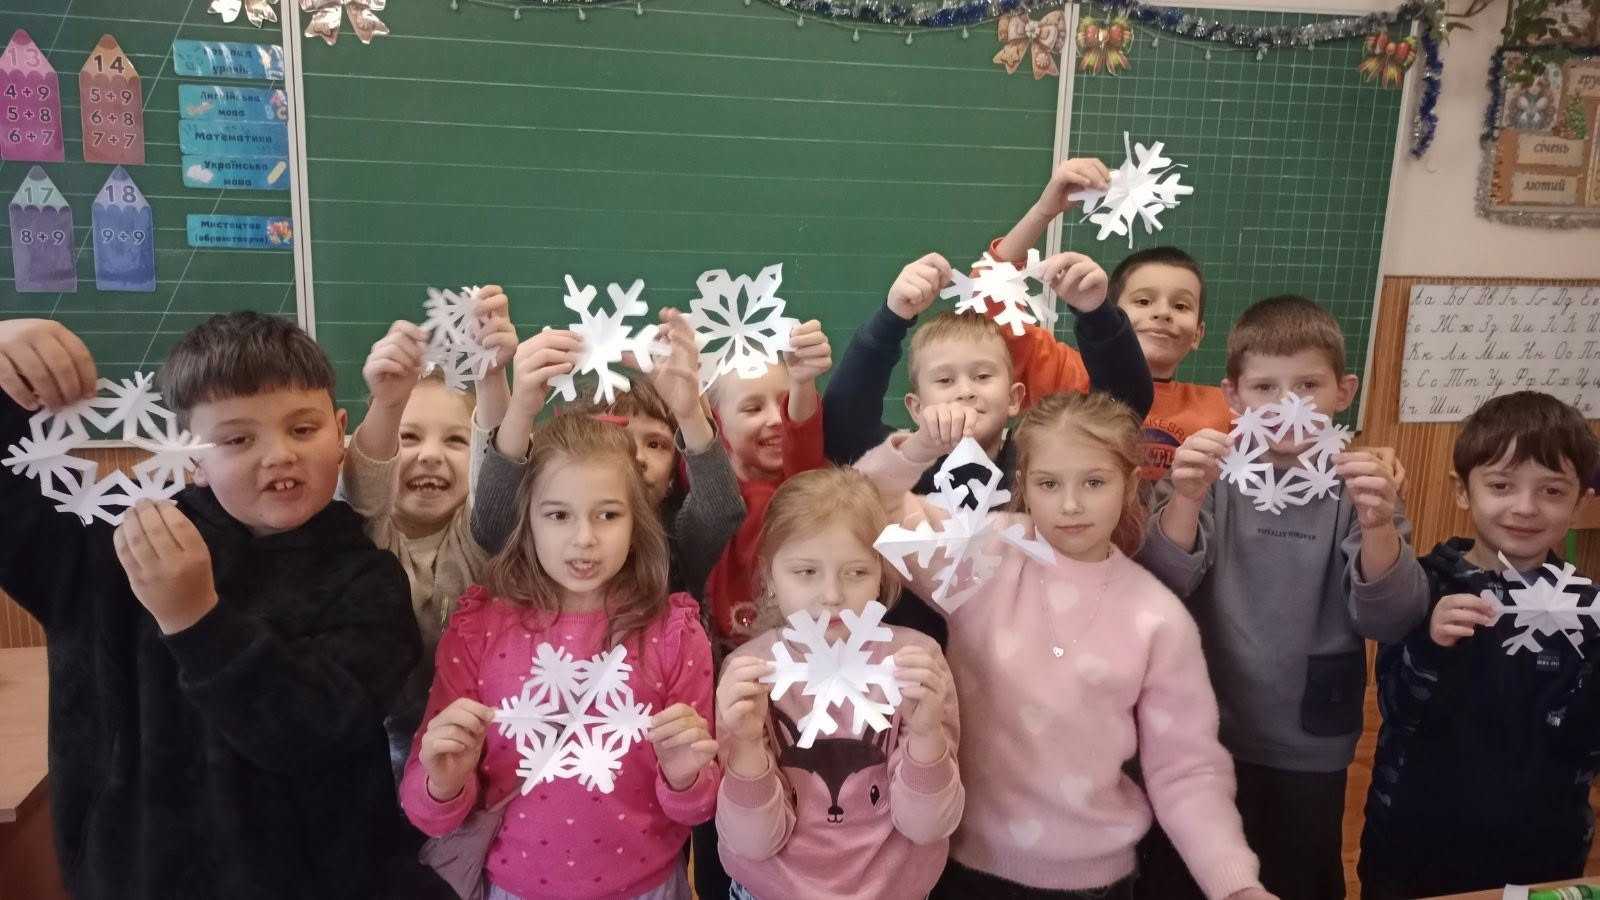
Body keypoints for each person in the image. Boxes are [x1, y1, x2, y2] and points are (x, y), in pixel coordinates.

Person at [0, 314, 421, 899]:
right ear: (191, 455)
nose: (279, 455)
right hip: (139, 878)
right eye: (236, 439)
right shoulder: (117, 546)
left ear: (339, 431)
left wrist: (195, 619)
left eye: (303, 428)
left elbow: (310, 729)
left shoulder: (368, 579)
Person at [856, 391, 1271, 900]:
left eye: (1094, 482)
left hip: (1093, 882)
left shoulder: (1156, 618)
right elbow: (864, 508)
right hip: (962, 869)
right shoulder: (984, 555)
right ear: (1024, 485)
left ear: (1129, 484)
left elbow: (1187, 769)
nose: (1071, 505)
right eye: (1049, 484)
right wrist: (918, 448)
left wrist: (1234, 884)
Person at [1137, 295, 1429, 899]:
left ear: (1344, 392)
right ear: (1233, 396)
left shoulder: (1361, 486)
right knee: (1191, 874)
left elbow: (1392, 617)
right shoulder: (1207, 476)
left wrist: (1378, 523)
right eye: (1265, 387)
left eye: (1308, 386)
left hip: (1308, 742)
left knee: (1298, 874)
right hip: (1201, 731)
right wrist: (1186, 498)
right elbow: (1161, 586)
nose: (1286, 405)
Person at [402, 413, 720, 900]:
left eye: (608, 515)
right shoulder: (479, 630)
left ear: (637, 521)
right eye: (558, 515)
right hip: (513, 888)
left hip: (648, 888)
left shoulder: (675, 634)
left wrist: (685, 777)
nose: (584, 538)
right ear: (527, 519)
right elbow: (425, 809)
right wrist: (443, 783)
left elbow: (700, 807)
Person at [1360, 391, 1600, 899]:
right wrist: (1430, 643)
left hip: (1541, 852)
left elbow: (1586, 743)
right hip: (1413, 845)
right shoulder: (1423, 584)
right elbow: (1396, 706)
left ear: (1581, 500)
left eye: (1552, 490)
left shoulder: (1589, 610)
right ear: (1463, 491)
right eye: (1501, 485)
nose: (1525, 508)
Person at [715, 467, 964, 900]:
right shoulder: (749, 674)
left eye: (856, 572)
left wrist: (927, 734)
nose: (831, 595)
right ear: (770, 577)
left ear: (881, 574)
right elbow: (751, 841)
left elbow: (928, 826)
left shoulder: (917, 663)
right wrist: (747, 744)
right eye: (806, 572)